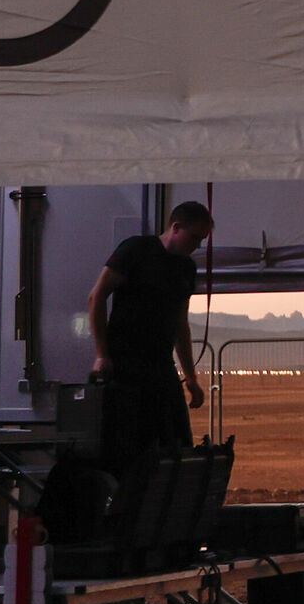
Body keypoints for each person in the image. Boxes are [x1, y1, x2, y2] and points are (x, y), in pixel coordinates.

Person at [88, 201, 213, 473]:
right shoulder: (135, 250)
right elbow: (96, 298)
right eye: (194, 238)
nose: (197, 246)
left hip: (160, 367)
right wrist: (102, 354)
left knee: (178, 443)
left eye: (201, 240)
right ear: (176, 227)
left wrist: (191, 378)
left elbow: (181, 324)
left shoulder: (186, 269)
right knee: (129, 446)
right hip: (124, 367)